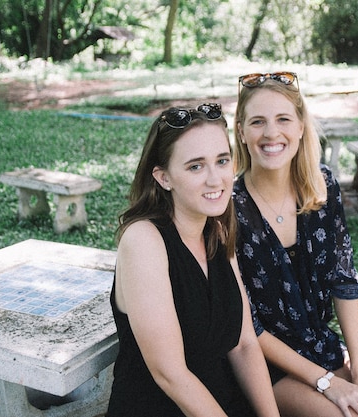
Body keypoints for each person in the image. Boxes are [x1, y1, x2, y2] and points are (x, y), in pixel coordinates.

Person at [232, 72, 358, 417]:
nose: (271, 133)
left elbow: (344, 280)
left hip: (319, 345)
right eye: (257, 122)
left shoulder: (322, 185)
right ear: (240, 131)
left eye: (283, 119)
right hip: (267, 363)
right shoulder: (228, 208)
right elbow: (247, 327)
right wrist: (328, 382)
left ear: (300, 126)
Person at [106, 103, 280, 417]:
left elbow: (243, 345)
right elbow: (170, 374)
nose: (216, 179)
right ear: (163, 177)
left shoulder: (217, 230)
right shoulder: (144, 240)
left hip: (221, 403)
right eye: (195, 166)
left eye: (222, 161)